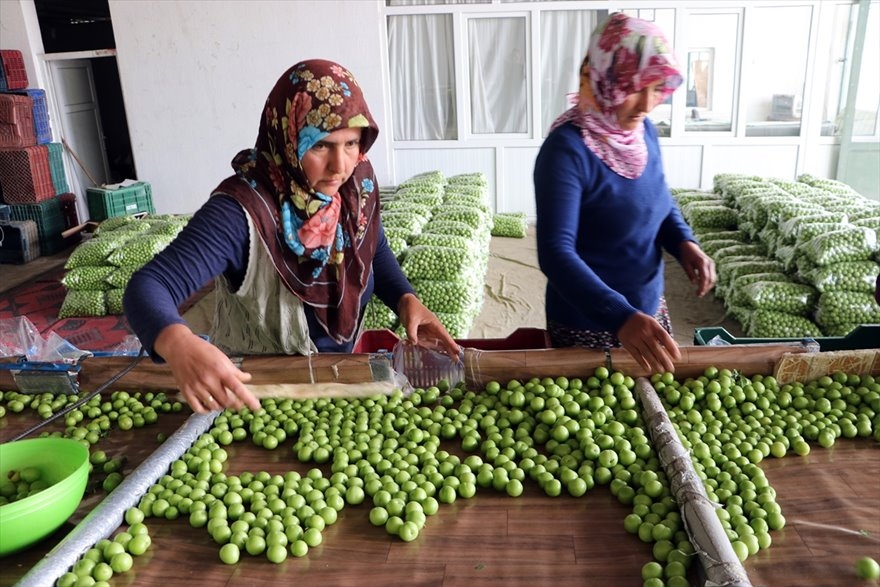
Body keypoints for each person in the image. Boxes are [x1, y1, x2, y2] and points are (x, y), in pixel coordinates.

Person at [124, 59, 459, 413]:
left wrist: (405, 298)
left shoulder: (356, 184)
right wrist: (178, 343)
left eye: (350, 143)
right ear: (287, 135)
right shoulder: (242, 211)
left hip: (337, 380)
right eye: (320, 146)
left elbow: (372, 246)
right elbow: (149, 285)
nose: (340, 165)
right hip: (255, 392)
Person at [533, 13, 716, 375]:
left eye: (656, 87)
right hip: (588, 322)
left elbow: (658, 199)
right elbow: (556, 254)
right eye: (635, 87)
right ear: (606, 76)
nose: (647, 104)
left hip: (646, 310)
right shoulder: (566, 151)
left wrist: (684, 242)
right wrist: (620, 316)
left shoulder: (642, 133)